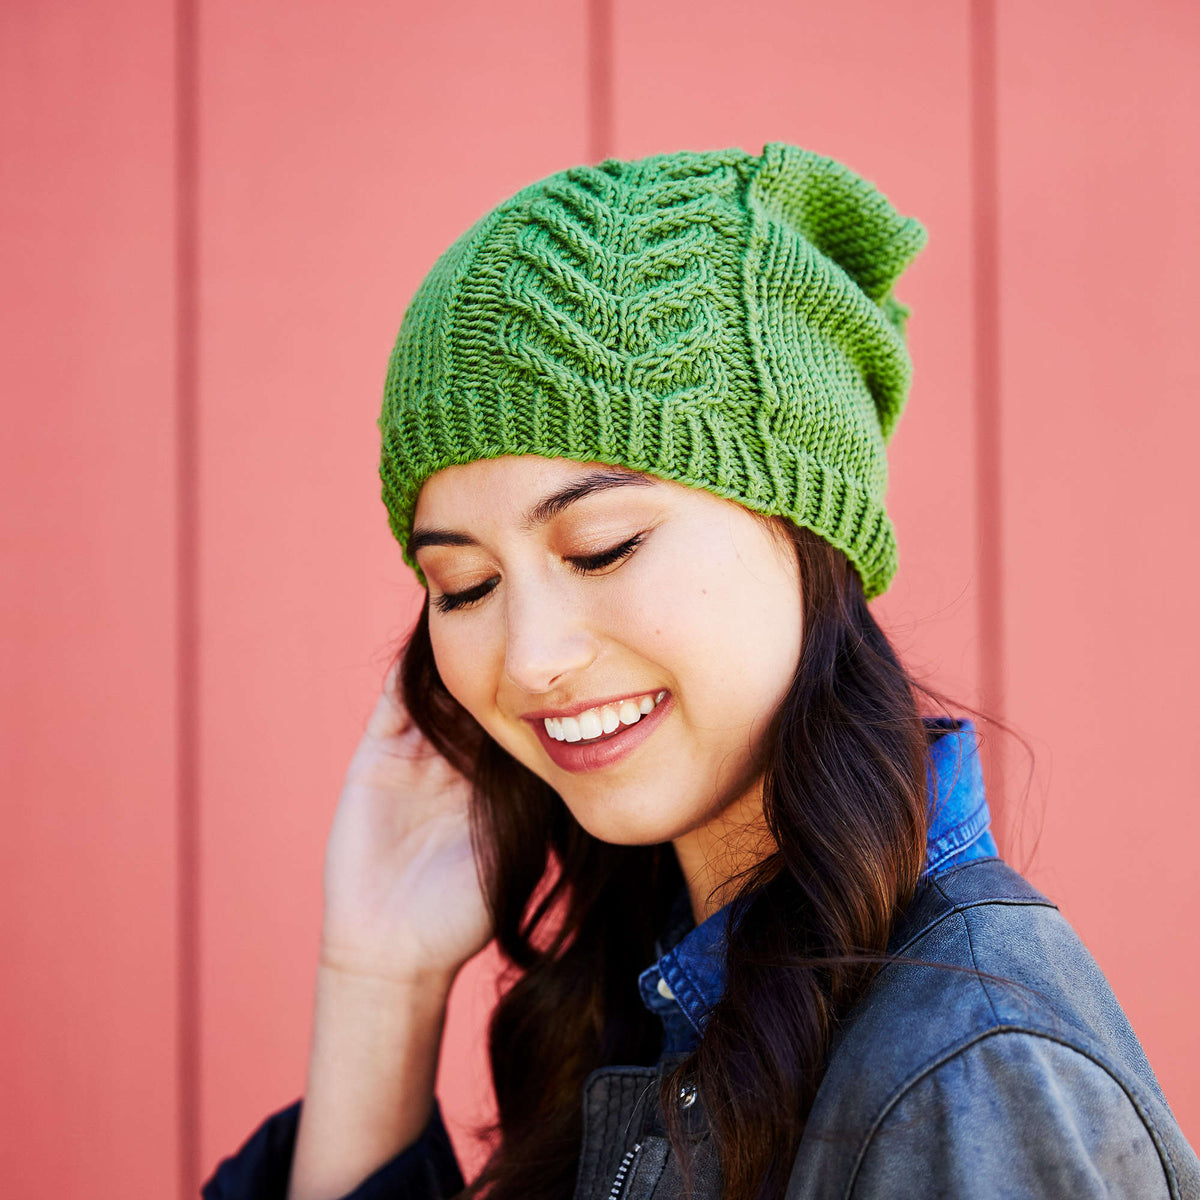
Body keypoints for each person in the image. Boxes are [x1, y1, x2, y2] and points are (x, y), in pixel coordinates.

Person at [202, 142, 1200, 1200]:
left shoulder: (973, 1069)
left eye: (603, 548)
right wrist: (380, 982)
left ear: (809, 531)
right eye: (463, 585)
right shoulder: (650, 994)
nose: (533, 659)